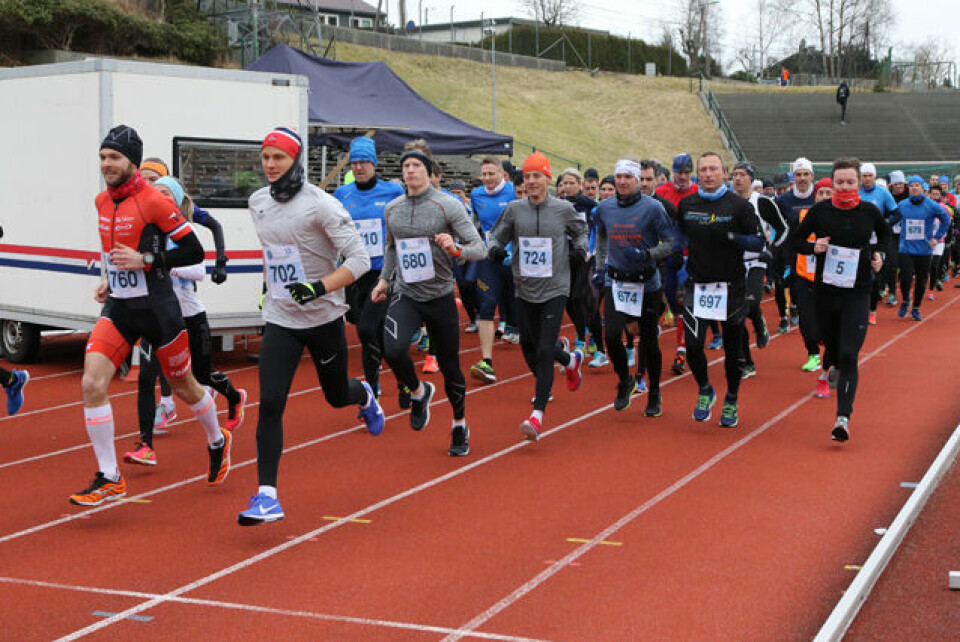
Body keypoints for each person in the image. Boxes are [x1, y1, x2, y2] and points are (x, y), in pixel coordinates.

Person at [71, 125, 230, 507]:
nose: (106, 164)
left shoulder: (153, 201)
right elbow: (114, 251)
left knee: (185, 387)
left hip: (159, 311)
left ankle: (218, 440)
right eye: (103, 157)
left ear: (132, 163)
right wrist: (110, 280)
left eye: (114, 158)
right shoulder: (101, 202)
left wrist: (146, 260)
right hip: (121, 309)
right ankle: (109, 476)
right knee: (92, 383)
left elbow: (193, 251)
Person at [238, 127, 384, 525]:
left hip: (323, 317)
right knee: (270, 403)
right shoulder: (257, 202)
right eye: (265, 158)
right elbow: (276, 254)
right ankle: (267, 495)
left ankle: (364, 394)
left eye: (278, 158)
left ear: (295, 161)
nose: (270, 165)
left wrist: (317, 287)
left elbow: (360, 260)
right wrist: (271, 288)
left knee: (336, 395)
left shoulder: (322, 205)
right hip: (281, 317)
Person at [123, 177, 248, 466]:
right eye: (158, 193)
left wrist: (161, 264)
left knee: (202, 375)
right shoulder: (148, 229)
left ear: (177, 201)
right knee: (145, 377)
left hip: (189, 315)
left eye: (167, 193)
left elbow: (198, 270)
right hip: (157, 315)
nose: (161, 197)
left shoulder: (185, 228)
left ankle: (233, 397)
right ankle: (146, 445)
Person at [372, 144, 485, 456]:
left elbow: (479, 247)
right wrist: (384, 279)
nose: (410, 171)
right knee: (392, 349)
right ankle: (419, 392)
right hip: (406, 293)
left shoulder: (447, 205)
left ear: (430, 173)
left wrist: (456, 249)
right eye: (406, 166)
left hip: (439, 296)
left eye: (416, 166)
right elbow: (392, 248)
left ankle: (459, 425)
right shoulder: (392, 208)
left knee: (450, 368)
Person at [486, 151, 587, 441]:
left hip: (556, 287)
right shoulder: (515, 209)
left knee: (544, 349)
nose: (531, 182)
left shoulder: (563, 209)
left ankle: (538, 414)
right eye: (527, 177)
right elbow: (497, 235)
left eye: (536, 176)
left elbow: (581, 232)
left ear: (547, 179)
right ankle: (569, 361)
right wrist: (495, 248)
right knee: (529, 346)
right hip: (524, 287)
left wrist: (579, 250)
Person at [792, 157, 889, 442]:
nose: (845, 187)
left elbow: (885, 238)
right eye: (840, 182)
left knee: (849, 354)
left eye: (850, 182)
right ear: (832, 184)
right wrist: (813, 246)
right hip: (826, 292)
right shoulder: (820, 211)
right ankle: (829, 362)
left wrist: (880, 256)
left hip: (857, 292)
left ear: (859, 183)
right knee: (831, 347)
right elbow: (795, 241)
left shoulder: (869, 211)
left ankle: (842, 419)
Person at [677, 152, 764, 427]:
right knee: (692, 346)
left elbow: (759, 242)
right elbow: (678, 238)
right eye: (702, 170)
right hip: (697, 286)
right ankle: (705, 389)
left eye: (713, 169)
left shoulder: (739, 206)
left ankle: (732, 399)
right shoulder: (687, 204)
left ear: (724, 173)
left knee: (732, 349)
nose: (707, 174)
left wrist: (731, 237)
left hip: (731, 288)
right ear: (697, 174)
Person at [595, 159, 675, 417]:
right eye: (618, 176)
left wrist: (647, 254)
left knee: (649, 342)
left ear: (638, 180)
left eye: (627, 177)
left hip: (646, 282)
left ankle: (654, 393)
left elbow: (670, 242)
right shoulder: (604, 207)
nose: (621, 181)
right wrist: (599, 266)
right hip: (615, 281)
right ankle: (625, 380)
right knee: (611, 335)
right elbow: (601, 237)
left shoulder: (652, 208)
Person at [333, 137, 406, 397]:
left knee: (366, 330)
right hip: (355, 272)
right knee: (375, 333)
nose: (359, 167)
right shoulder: (342, 194)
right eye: (355, 163)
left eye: (364, 162)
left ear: (374, 164)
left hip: (382, 273)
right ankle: (405, 381)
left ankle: (371, 389)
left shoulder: (393, 193)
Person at [730, 162, 787, 380]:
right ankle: (746, 361)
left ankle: (759, 321)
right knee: (735, 317)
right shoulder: (727, 202)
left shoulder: (762, 202)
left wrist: (771, 250)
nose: (737, 178)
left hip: (756, 261)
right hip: (733, 264)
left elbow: (784, 229)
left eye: (742, 175)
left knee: (751, 304)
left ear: (752, 179)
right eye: (734, 174)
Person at [470, 156, 518, 384]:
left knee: (523, 312)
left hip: (516, 260)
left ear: (502, 174)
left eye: (492, 174)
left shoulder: (514, 192)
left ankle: (555, 348)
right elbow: (477, 225)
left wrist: (510, 249)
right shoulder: (476, 195)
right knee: (487, 305)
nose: (487, 179)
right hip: (491, 259)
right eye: (484, 174)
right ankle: (486, 361)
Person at [656, 153, 699, 375]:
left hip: (690, 257)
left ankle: (682, 349)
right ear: (672, 172)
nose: (682, 176)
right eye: (679, 172)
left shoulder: (698, 192)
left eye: (686, 172)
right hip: (667, 257)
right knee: (672, 303)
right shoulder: (662, 193)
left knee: (684, 303)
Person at [776, 157, 818, 365]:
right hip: (795, 258)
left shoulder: (822, 195)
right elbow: (777, 230)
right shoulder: (783, 202)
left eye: (805, 174)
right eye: (798, 175)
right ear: (793, 177)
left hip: (822, 258)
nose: (802, 178)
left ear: (812, 176)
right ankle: (812, 353)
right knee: (803, 304)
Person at [896, 175, 951, 321]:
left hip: (924, 249)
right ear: (909, 188)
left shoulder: (931, 205)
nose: (914, 188)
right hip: (905, 248)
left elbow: (946, 219)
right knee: (905, 278)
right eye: (911, 185)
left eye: (917, 185)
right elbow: (891, 221)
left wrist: (937, 237)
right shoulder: (902, 205)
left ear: (922, 188)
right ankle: (906, 300)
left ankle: (915, 308)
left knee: (921, 280)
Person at [858, 163, 901, 325]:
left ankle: (872, 311)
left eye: (870, 175)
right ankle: (859, 308)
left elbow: (897, 214)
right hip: (858, 240)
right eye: (864, 175)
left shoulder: (882, 193)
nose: (867, 178)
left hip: (877, 242)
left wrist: (884, 223)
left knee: (875, 278)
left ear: (874, 177)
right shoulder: (856, 192)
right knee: (858, 276)